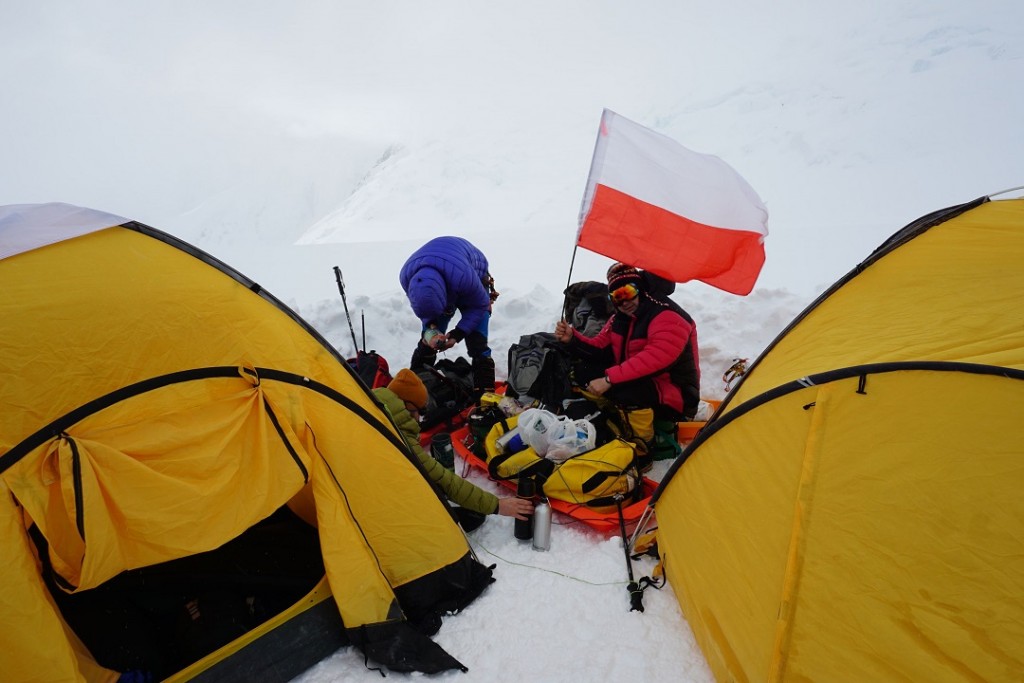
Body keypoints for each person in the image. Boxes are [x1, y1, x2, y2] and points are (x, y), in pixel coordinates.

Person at [554, 263, 700, 463]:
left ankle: (643, 447)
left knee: (627, 390)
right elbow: (599, 349)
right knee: (583, 371)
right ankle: (617, 418)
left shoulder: (667, 315)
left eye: (628, 291)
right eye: (617, 296)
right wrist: (572, 339)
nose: (625, 302)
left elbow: (654, 359)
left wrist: (609, 379)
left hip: (677, 394)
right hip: (641, 381)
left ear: (639, 288)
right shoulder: (620, 318)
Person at [373, 368, 533, 530]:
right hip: (380, 510)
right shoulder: (399, 438)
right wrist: (497, 505)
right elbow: (445, 480)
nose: (419, 419)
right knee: (471, 517)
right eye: (419, 412)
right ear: (406, 406)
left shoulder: (367, 403)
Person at [399, 236, 499, 397]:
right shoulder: (407, 277)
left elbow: (479, 305)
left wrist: (457, 334)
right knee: (429, 339)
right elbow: (424, 308)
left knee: (477, 342)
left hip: (471, 271)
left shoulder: (465, 278)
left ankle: (485, 398)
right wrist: (430, 328)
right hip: (443, 270)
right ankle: (415, 386)